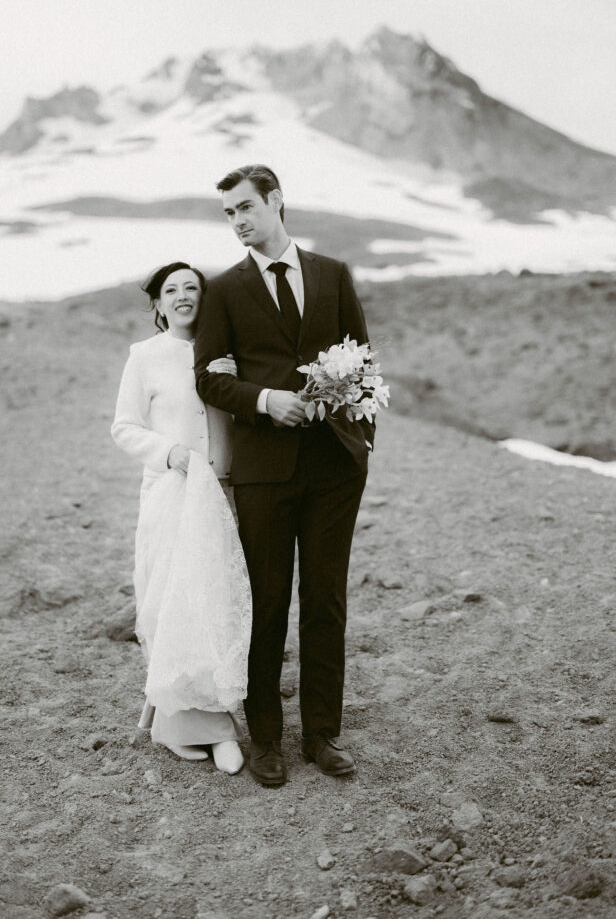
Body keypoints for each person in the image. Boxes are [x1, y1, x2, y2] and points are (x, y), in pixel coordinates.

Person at [194, 165, 375, 787]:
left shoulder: (333, 275)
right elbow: (208, 378)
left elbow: (363, 361)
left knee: (325, 600)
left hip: (334, 468)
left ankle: (322, 734)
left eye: (246, 207)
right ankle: (267, 738)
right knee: (268, 605)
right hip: (265, 472)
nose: (238, 220)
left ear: (275, 202)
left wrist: (361, 444)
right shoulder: (225, 290)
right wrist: (267, 401)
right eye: (229, 212)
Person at [111, 262, 250, 776]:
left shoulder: (228, 353)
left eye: (192, 287)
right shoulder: (144, 357)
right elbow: (123, 427)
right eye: (172, 290)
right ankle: (194, 729)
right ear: (158, 304)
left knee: (214, 599)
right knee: (172, 598)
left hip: (224, 492)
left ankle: (206, 720)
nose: (183, 295)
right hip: (171, 490)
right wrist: (173, 455)